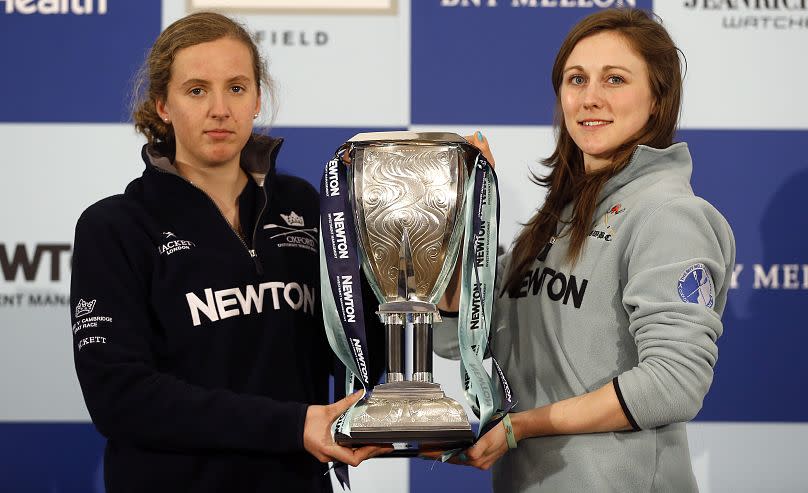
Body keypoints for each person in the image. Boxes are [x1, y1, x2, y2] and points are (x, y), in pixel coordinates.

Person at [69, 12, 385, 493]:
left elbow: (354, 355)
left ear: (258, 98)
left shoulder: (305, 205)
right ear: (163, 105)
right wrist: (292, 424)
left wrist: (424, 277)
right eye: (197, 90)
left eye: (236, 88)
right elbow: (120, 397)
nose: (220, 109)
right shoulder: (115, 227)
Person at [434, 8, 736, 492]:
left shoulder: (667, 215)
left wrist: (521, 426)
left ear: (658, 100)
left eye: (615, 79)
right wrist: (465, 223)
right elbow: (457, 339)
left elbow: (672, 385)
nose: (590, 98)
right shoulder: (558, 218)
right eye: (577, 79)